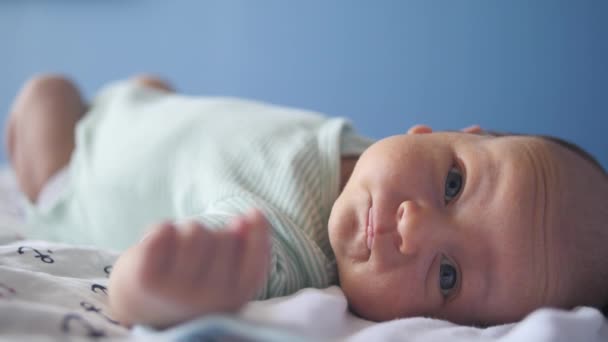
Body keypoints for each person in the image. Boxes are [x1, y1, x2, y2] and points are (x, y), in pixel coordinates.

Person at [5, 74, 607, 328]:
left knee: (45, 93)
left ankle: (51, 172)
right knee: (153, 86)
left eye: (446, 276)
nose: (413, 226)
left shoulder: (280, 248)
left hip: (81, 168)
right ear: (442, 135)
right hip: (149, 112)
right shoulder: (371, 157)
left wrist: (154, 290)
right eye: (453, 185)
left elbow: (143, 291)